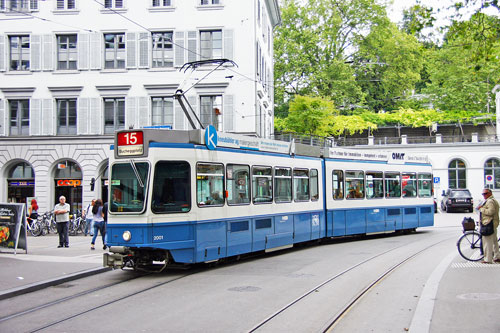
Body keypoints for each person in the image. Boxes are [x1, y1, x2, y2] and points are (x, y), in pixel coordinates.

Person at [478, 188, 500, 264]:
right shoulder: (493, 200)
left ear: (490, 193)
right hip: (493, 223)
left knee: (487, 242)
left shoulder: (490, 201)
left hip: (488, 224)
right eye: (483, 194)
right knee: (494, 241)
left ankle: (488, 259)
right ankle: (497, 257)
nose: (484, 195)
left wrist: (481, 209)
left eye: (485, 193)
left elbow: (490, 212)